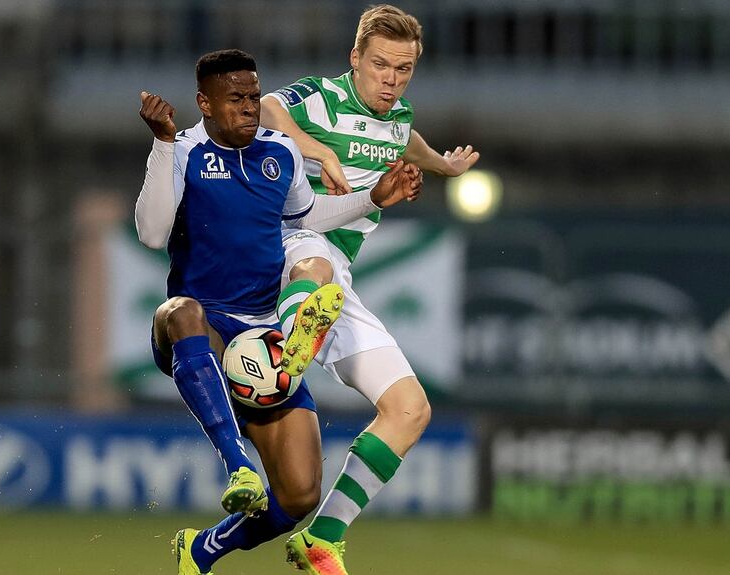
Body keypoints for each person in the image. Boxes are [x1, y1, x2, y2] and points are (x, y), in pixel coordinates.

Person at [135, 49, 421, 575]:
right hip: (200, 328)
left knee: (299, 495)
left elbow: (308, 216)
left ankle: (202, 550)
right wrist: (161, 143)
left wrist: (371, 196)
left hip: (261, 339)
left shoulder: (281, 153)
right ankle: (237, 465)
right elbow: (152, 234)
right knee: (181, 310)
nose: (249, 108)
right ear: (205, 103)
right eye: (235, 98)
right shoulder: (184, 150)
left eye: (252, 95)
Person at [258, 5, 480, 574]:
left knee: (409, 409)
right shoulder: (321, 96)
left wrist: (444, 168)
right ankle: (285, 349)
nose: (391, 79)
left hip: (338, 272)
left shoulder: (397, 119)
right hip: (284, 238)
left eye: (403, 69)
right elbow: (267, 107)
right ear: (354, 58)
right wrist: (320, 151)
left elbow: (407, 141)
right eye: (380, 64)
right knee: (315, 268)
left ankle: (322, 539)